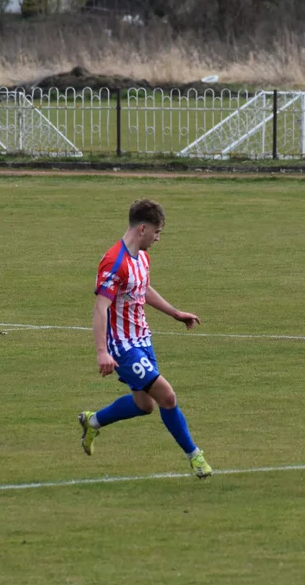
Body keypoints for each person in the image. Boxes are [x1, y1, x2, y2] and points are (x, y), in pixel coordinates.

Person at [78, 199, 212, 479]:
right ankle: (195, 455)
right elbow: (100, 308)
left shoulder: (142, 257)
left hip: (143, 340)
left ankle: (93, 421)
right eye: (157, 232)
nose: (158, 238)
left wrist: (175, 313)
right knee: (167, 396)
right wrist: (102, 352)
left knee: (144, 405)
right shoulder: (114, 262)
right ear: (142, 229)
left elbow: (144, 289)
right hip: (123, 347)